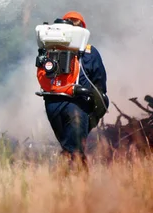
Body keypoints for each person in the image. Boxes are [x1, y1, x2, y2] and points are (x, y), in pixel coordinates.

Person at [36, 11, 109, 165]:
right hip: (77, 104)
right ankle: (69, 180)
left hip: (51, 104)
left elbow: (43, 77)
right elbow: (99, 82)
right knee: (74, 149)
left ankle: (74, 183)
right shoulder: (89, 51)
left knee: (70, 147)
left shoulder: (49, 50)